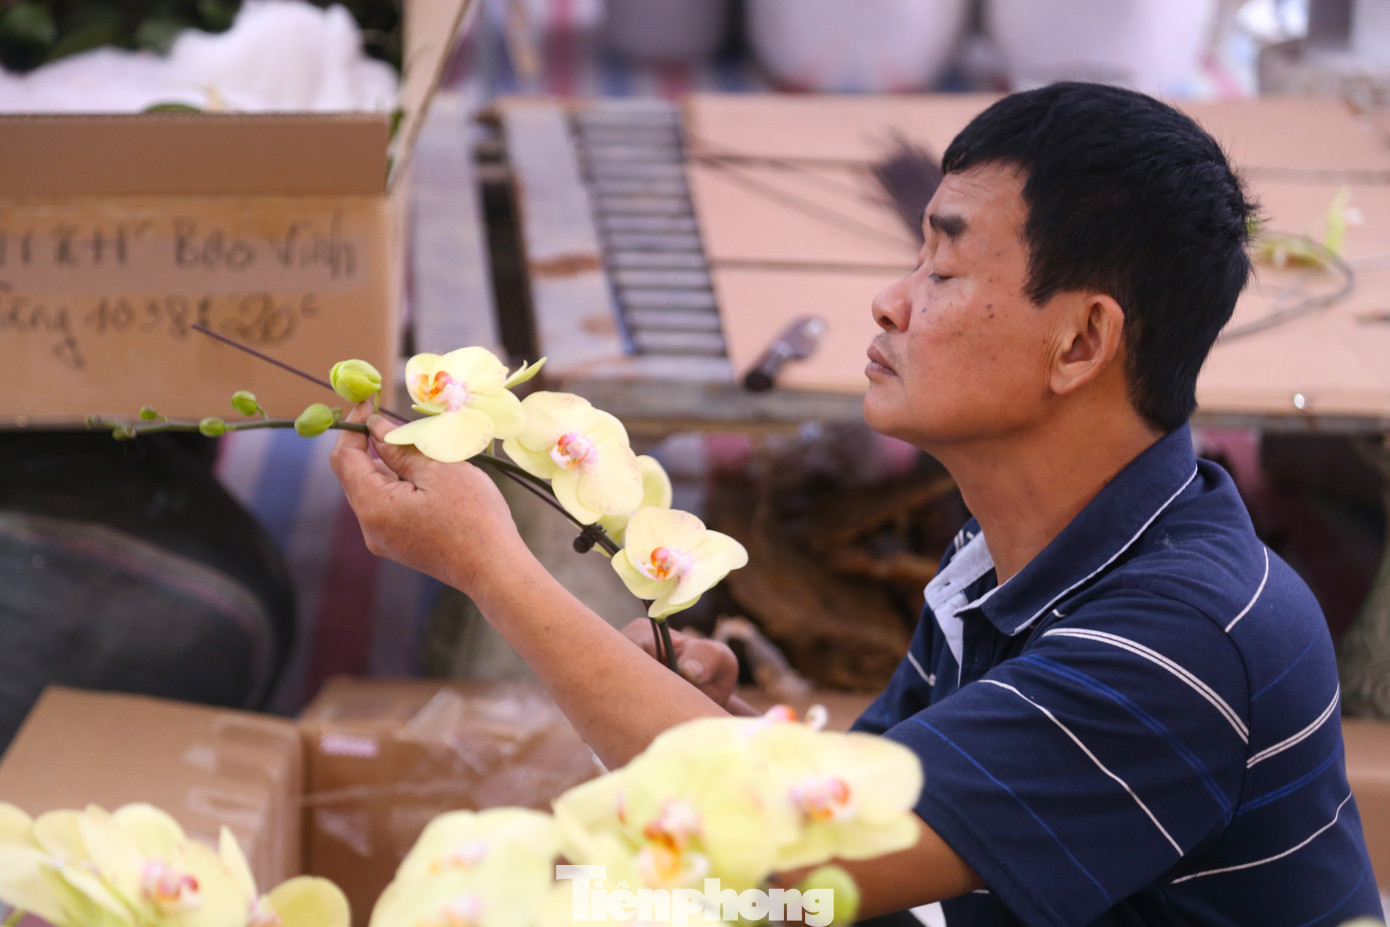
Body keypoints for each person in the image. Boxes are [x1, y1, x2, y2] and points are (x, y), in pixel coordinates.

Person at [330, 82, 1380, 926]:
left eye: (945, 264)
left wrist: (488, 563)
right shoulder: (1005, 556)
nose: (888, 300)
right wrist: (720, 721)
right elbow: (858, 812)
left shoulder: (1182, 645)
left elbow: (799, 863)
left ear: (1081, 342)